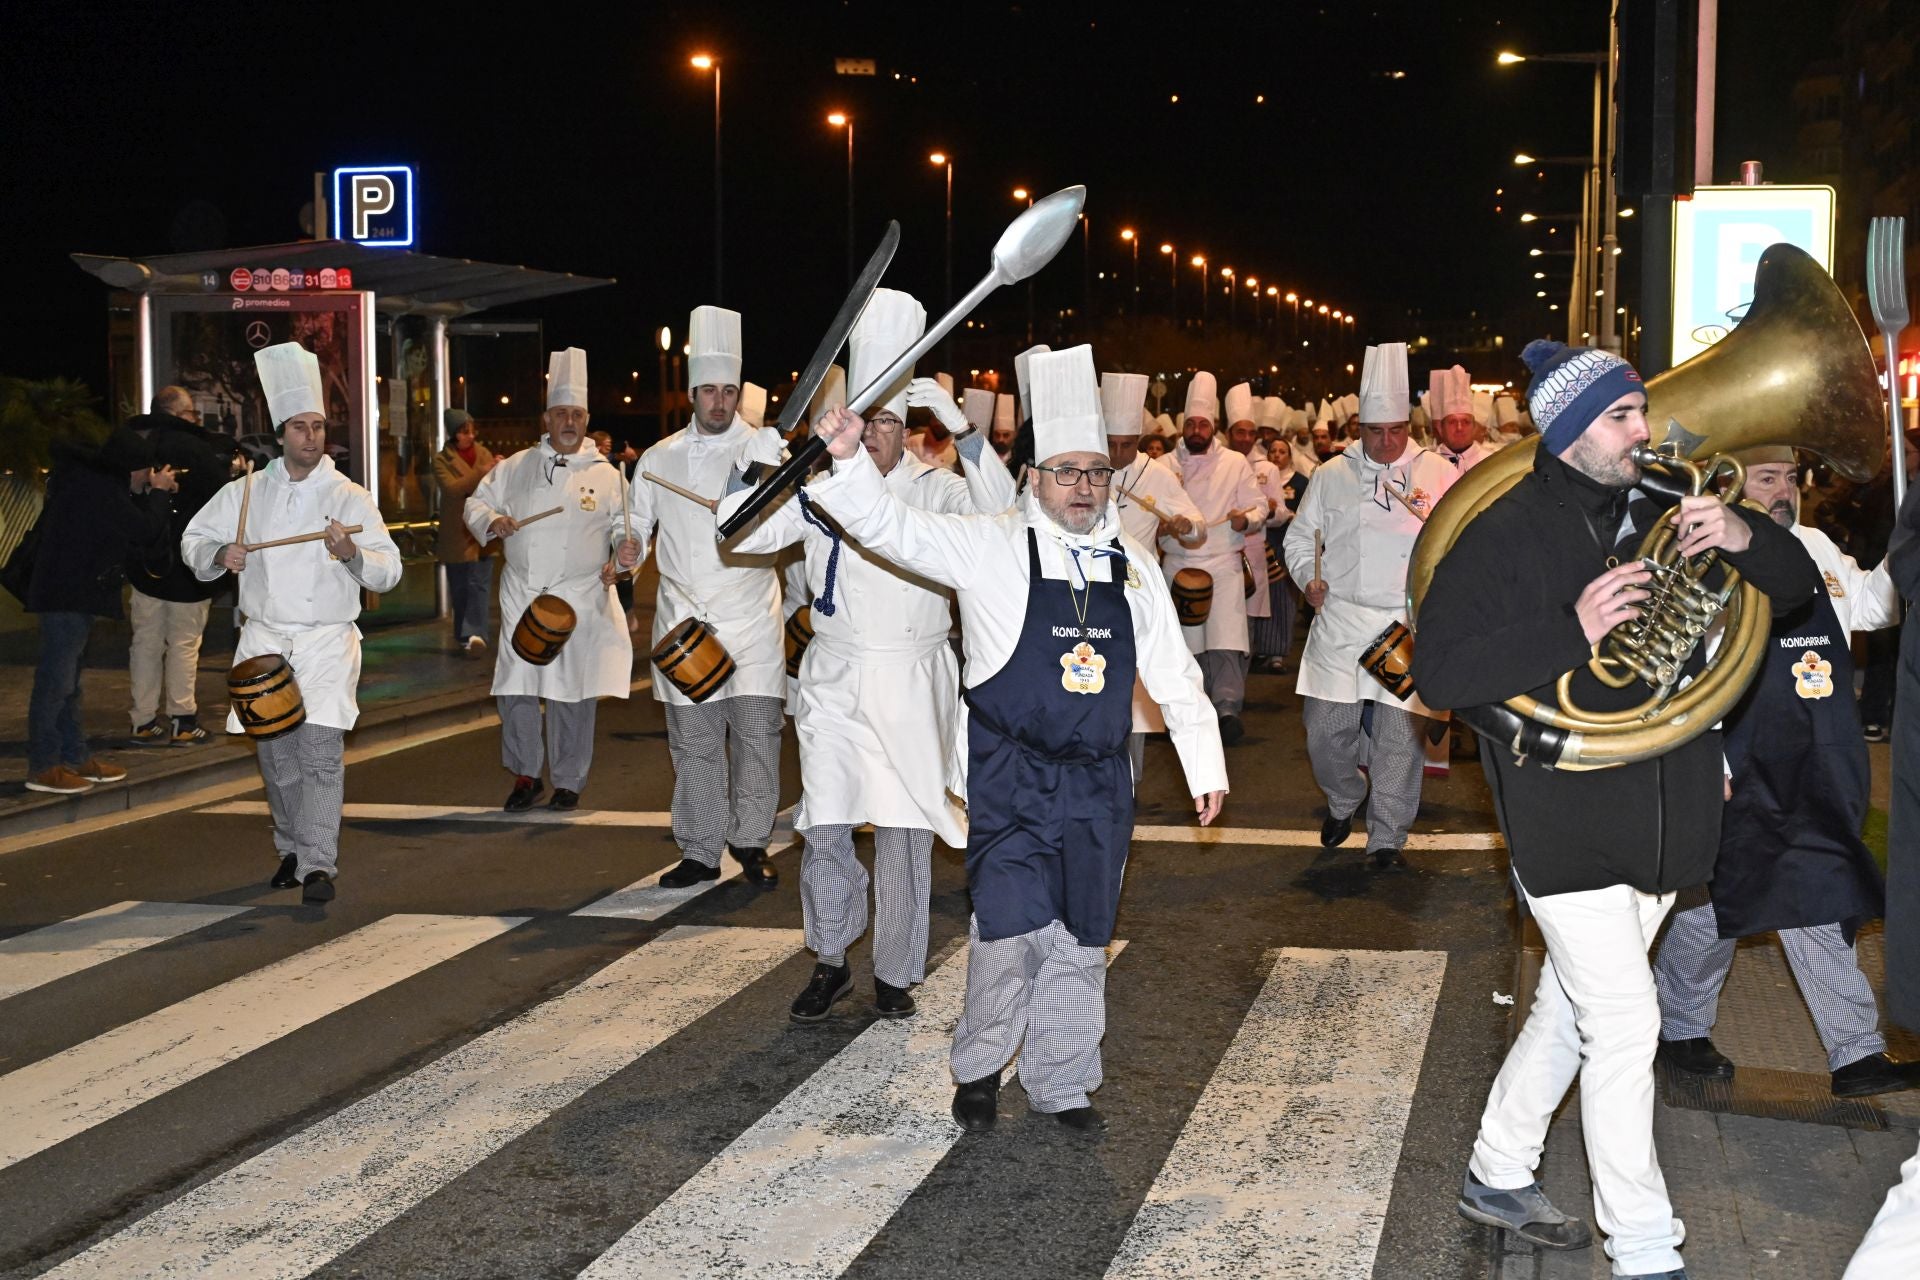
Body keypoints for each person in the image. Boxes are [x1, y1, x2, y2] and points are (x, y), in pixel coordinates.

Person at [1412, 340, 1818, 1279]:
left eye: (1640, 411)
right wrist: (1576, 629)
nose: (1647, 431)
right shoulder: (1504, 531)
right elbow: (1439, 671)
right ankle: (1643, 1248)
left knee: (1573, 1006)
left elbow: (1793, 595)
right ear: (1564, 432)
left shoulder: (1673, 509)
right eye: (1621, 417)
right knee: (1627, 1025)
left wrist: (1747, 538)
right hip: (1564, 818)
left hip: (1669, 806)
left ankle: (1499, 1168)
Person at [802, 343, 1227, 1134]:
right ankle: (980, 1066)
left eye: (1095, 474)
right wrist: (850, 459)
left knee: (1080, 936)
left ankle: (1063, 1078)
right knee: (1008, 929)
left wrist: (1204, 763)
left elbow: (1173, 671)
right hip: (1010, 773)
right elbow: (891, 528)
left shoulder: (1132, 564)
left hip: (1100, 781)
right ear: (1033, 476)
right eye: (1065, 472)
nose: (1082, 489)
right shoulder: (989, 542)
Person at [717, 290, 1015, 1021]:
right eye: (864, 420)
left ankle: (895, 970)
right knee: (825, 820)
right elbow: (737, 535)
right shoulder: (817, 490)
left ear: (905, 427)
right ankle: (830, 957)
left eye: (887, 421)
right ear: (845, 423)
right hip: (835, 674)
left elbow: (1008, 517)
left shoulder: (939, 489)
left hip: (914, 676)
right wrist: (759, 455)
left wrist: (964, 431)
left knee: (907, 829)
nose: (874, 434)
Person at [1652, 447, 1915, 1098]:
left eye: (1792, 479)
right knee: (1774, 896)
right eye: (1769, 478)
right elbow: (1683, 671)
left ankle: (1686, 1028)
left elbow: (1874, 607)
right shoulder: (1705, 557)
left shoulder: (1817, 545)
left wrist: (1907, 554)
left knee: (1760, 895)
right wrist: (1705, 762)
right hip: (1740, 762)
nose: (1785, 491)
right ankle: (1850, 1055)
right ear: (1734, 484)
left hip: (1818, 757)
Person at [182, 342, 402, 901]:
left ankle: (317, 866)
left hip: (328, 641)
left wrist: (352, 553)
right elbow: (194, 540)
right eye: (300, 426)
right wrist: (218, 556)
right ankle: (291, 848)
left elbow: (388, 570)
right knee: (277, 761)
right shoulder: (247, 491)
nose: (311, 436)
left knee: (320, 755)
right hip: (263, 640)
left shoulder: (351, 496)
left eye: (319, 426)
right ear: (282, 432)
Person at [628, 305, 787, 888]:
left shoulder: (766, 454)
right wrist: (627, 552)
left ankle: (750, 842)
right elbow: (634, 527)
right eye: (708, 392)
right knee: (694, 742)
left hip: (750, 612)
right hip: (684, 614)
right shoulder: (658, 458)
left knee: (755, 736)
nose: (718, 402)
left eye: (727, 391)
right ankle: (698, 848)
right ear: (692, 394)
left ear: (736, 392)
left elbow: (787, 519)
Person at [1284, 343, 1456, 869]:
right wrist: (1308, 579)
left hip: (1402, 625)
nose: (1385, 442)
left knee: (1398, 740)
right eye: (1374, 431)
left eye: (1395, 431)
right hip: (1340, 620)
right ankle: (1343, 797)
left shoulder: (1436, 474)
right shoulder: (1331, 474)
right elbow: (1298, 539)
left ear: (1410, 426)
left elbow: (1457, 545)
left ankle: (1388, 838)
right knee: (1324, 732)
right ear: (1360, 427)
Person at [466, 348, 634, 812]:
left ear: (586, 419)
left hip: (579, 597)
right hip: (522, 593)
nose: (569, 421)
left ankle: (568, 780)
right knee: (516, 689)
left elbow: (627, 526)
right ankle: (525, 775)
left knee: (573, 694)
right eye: (561, 413)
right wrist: (493, 520)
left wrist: (623, 554)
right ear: (547, 417)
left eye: (576, 414)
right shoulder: (515, 465)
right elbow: (475, 505)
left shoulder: (606, 475)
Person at [23, 428, 174, 793]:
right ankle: (44, 767)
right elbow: (145, 531)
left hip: (71, 594)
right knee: (56, 683)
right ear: (133, 468)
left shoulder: (96, 484)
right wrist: (157, 494)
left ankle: (74, 758)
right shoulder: (99, 490)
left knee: (70, 683)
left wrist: (146, 493)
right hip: (67, 596)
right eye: (146, 471)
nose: (149, 477)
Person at [1105, 372, 1204, 779]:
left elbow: (1197, 523)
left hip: (1134, 593)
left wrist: (1186, 525)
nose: (1117, 453)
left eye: (1126, 445)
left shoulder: (1157, 475)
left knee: (1132, 688)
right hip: (1086, 591)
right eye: (1109, 444)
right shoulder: (1084, 465)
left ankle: (1129, 778)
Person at [1160, 371, 1267, 743]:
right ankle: (1189, 709)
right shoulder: (1164, 466)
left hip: (1223, 562)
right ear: (1183, 426)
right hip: (1178, 564)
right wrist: (1164, 527)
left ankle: (1226, 709)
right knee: (1185, 644)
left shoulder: (1235, 463)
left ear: (1214, 426)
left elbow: (1260, 507)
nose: (1196, 429)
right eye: (1190, 423)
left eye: (1203, 424)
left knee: (1225, 640)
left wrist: (1246, 518)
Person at [124, 386, 234, 745]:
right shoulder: (198, 450)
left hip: (145, 564)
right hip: (187, 566)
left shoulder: (138, 444)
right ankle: (182, 719)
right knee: (185, 642)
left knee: (145, 642)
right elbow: (223, 500)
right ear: (176, 414)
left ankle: (142, 720)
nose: (194, 420)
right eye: (190, 414)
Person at [1226, 385, 1288, 676]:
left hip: (1254, 554)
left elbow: (1281, 514)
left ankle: (1237, 681)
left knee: (1248, 620)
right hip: (1222, 552)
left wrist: (1272, 510)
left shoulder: (1268, 468)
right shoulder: (1218, 465)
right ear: (1229, 433)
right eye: (1241, 432)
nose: (1247, 439)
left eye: (1251, 433)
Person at [433, 409, 497, 653]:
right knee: (461, 585)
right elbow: (452, 488)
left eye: (472, 431)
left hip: (482, 527)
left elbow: (493, 486)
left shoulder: (483, 453)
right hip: (458, 532)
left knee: (480, 584)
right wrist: (483, 472)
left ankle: (476, 634)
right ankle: (464, 633)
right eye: (464, 432)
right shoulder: (441, 459)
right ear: (454, 434)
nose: (470, 436)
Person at [1251, 436, 1307, 673]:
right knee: (1262, 598)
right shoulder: (1257, 477)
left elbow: (1305, 512)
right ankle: (1260, 648)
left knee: (1283, 598)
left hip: (1285, 545)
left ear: (1290, 456)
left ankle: (1277, 653)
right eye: (1272, 450)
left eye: (1282, 451)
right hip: (1263, 543)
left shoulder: (1300, 482)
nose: (1276, 455)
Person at [1430, 365, 1496, 472]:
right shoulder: (1428, 464)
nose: (1459, 428)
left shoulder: (1491, 462)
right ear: (1440, 429)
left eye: (1466, 422)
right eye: (1452, 422)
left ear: (1474, 427)